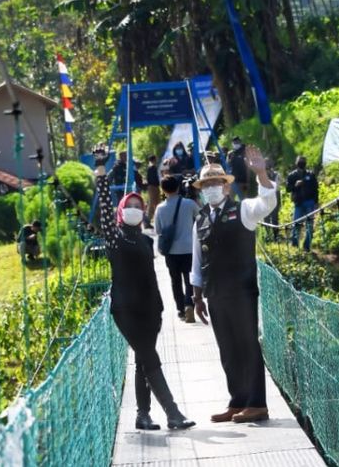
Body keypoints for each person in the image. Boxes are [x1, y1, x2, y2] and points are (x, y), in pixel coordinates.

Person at [94, 145, 195, 431]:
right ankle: (173, 413)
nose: (136, 209)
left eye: (139, 206)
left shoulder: (146, 241)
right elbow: (103, 206)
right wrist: (101, 169)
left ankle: (142, 415)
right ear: (121, 211)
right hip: (126, 311)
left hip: (151, 311)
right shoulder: (115, 239)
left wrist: (161, 309)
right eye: (130, 206)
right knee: (150, 358)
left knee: (143, 360)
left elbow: (151, 277)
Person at [190, 145, 277, 424]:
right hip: (215, 293)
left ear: (226, 187)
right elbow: (196, 259)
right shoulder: (200, 218)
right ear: (202, 189)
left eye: (216, 183)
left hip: (241, 291)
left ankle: (256, 403)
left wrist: (261, 174)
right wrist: (197, 294)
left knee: (247, 344)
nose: (212, 188)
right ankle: (237, 400)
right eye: (207, 184)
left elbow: (267, 204)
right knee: (227, 348)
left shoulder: (244, 210)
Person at [155, 175, 200, 322]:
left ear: (163, 189)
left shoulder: (160, 208)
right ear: (178, 187)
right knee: (189, 279)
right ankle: (189, 304)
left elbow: (158, 230)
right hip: (189, 248)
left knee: (175, 281)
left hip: (171, 251)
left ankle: (180, 310)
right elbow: (201, 218)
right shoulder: (189, 204)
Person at [286, 156, 318, 252]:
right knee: (296, 224)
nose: (302, 163)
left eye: (303, 161)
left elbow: (315, 189)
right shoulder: (292, 175)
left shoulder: (311, 174)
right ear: (296, 163)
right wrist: (295, 186)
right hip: (298, 203)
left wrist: (316, 202)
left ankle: (306, 246)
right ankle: (294, 245)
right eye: (300, 162)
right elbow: (288, 189)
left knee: (309, 225)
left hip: (310, 202)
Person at [263, 158, 282, 240]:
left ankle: (276, 235)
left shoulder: (276, 174)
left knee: (275, 217)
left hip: (274, 197)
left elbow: (277, 187)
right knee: (266, 217)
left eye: (268, 165)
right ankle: (268, 235)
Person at [145, 155, 160, 229]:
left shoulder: (150, 167)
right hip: (153, 187)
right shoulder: (152, 167)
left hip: (152, 187)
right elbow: (153, 179)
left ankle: (155, 220)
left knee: (155, 204)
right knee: (152, 204)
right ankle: (147, 221)